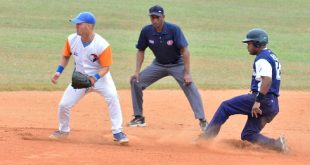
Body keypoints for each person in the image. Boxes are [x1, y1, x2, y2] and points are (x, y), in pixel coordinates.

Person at [200, 28, 288, 152]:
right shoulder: (271, 55)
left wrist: (258, 101)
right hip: (272, 103)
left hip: (263, 100)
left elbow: (267, 80)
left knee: (225, 107)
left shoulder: (262, 58)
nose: (247, 46)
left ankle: (206, 138)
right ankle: (277, 145)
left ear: (257, 44)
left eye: (249, 43)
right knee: (249, 134)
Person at [49, 12, 128, 144]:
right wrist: (58, 71)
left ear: (89, 26)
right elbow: (65, 56)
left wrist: (94, 78)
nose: (76, 26)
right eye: (76, 23)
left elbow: (105, 67)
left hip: (101, 78)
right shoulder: (71, 39)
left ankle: (117, 132)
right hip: (80, 78)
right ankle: (63, 131)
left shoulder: (102, 45)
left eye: (79, 24)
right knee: (64, 105)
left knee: (113, 97)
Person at [127, 5, 207, 131]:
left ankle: (202, 120)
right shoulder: (146, 31)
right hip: (158, 64)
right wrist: (136, 72)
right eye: (152, 17)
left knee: (190, 85)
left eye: (157, 17)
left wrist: (187, 73)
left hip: (177, 64)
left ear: (163, 17)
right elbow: (140, 50)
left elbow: (185, 51)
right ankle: (139, 117)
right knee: (135, 81)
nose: (154, 20)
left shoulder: (173, 29)